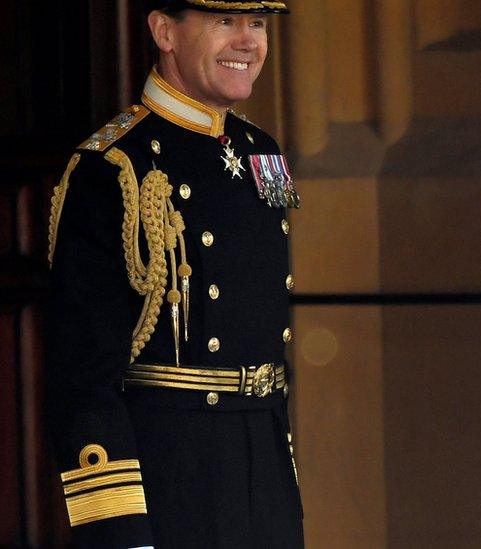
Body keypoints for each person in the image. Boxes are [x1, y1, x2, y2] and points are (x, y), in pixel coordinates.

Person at [45, 1, 303, 547]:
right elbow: (82, 380)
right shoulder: (115, 167)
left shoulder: (263, 153)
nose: (247, 41)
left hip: (266, 480)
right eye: (223, 21)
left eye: (256, 24)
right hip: (175, 488)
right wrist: (122, 534)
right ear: (164, 31)